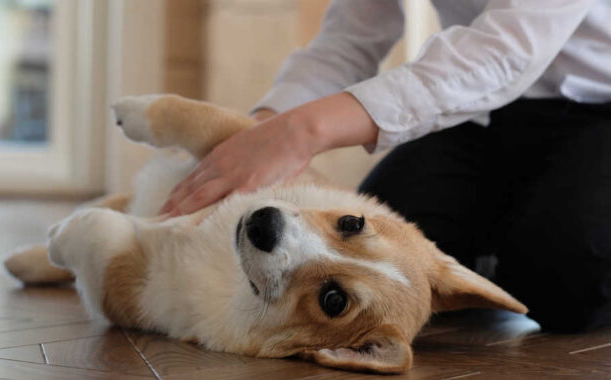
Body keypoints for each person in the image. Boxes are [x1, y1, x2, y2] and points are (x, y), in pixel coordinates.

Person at [159, 0, 611, 332]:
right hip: (480, 116)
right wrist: (259, 132)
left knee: (566, 289)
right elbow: (347, 41)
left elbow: (505, 52)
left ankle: (520, 251)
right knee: (384, 235)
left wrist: (299, 133)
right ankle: (510, 246)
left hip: (598, 105)